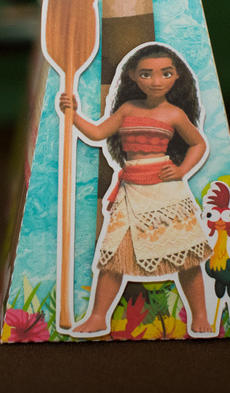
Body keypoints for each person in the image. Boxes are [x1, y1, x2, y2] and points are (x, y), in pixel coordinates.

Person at [59, 42, 214, 337]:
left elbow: (198, 143)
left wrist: (182, 170)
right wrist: (72, 113)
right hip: (131, 188)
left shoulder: (175, 114)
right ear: (132, 75)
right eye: (146, 74)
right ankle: (98, 316)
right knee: (113, 255)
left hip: (166, 189)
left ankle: (201, 314)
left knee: (186, 255)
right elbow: (97, 133)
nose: (156, 81)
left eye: (165, 73)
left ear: (177, 76)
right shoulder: (128, 109)